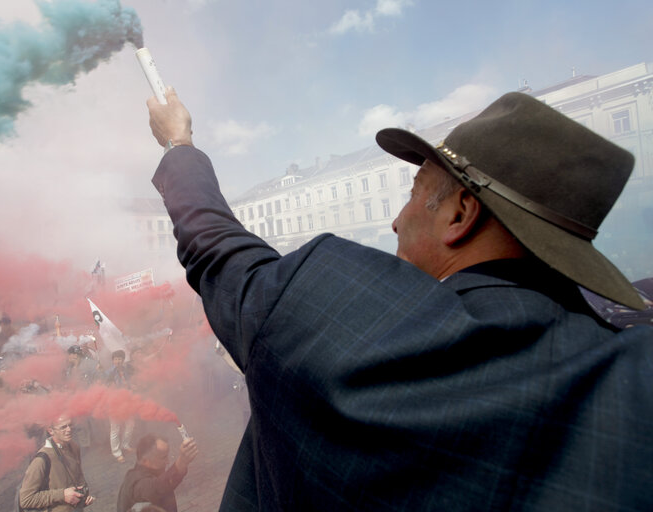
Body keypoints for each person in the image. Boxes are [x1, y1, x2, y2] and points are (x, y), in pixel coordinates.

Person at [145, 88, 653, 510]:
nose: (394, 220)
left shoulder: (355, 318)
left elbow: (219, 251)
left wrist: (178, 145)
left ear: (460, 214)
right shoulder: (633, 375)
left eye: (413, 193)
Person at [19, 415, 95, 511]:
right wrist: (62, 495)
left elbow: (79, 478)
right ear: (51, 431)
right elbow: (26, 500)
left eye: (70, 425)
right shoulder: (41, 460)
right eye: (63, 427)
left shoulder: (74, 447)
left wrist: (84, 495)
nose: (69, 430)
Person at [116, 434, 198, 512]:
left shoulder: (149, 472)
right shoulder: (138, 485)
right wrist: (182, 462)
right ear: (145, 461)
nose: (168, 461)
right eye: (163, 457)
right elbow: (157, 487)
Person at [105, 349, 135, 463]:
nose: (118, 361)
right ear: (113, 361)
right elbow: (105, 386)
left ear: (123, 360)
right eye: (116, 359)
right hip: (114, 403)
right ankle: (117, 452)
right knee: (115, 428)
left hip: (127, 401)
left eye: (120, 359)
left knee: (130, 424)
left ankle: (125, 445)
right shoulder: (109, 373)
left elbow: (131, 381)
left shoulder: (127, 370)